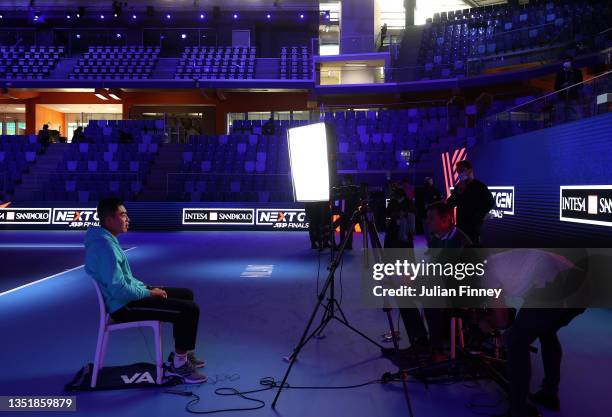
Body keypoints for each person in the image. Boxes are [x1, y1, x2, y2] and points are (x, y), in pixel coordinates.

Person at [84, 198, 207, 384]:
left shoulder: (106, 240)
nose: (128, 219)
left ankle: (180, 354)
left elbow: (126, 280)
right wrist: (150, 293)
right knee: (189, 309)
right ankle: (179, 366)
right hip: (124, 307)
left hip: (127, 298)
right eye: (123, 215)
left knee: (185, 294)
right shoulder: (105, 247)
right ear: (109, 220)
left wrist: (147, 288)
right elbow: (119, 290)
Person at [484, 249, 588, 417]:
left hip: (553, 287)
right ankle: (549, 393)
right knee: (547, 331)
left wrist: (486, 323)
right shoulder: (502, 261)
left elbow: (502, 320)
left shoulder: (487, 271)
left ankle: (519, 411)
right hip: (582, 288)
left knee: (516, 343)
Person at [390, 201, 472, 361]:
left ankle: (438, 350)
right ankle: (421, 341)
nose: (427, 222)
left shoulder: (460, 242)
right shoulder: (435, 238)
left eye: (431, 219)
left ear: (445, 219)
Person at [446, 160, 494, 246]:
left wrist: (479, 216)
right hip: (461, 225)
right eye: (458, 171)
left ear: (470, 170)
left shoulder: (479, 186)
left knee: (473, 249)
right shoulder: (458, 186)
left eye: (462, 170)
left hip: (474, 226)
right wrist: (458, 193)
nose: (460, 173)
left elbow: (490, 202)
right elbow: (451, 203)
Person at [421, 177, 442, 247]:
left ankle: (434, 248)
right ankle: (430, 248)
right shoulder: (423, 192)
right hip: (426, 215)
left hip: (434, 215)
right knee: (428, 233)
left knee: (433, 232)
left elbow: (439, 202)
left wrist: (430, 206)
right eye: (426, 182)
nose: (427, 184)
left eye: (428, 182)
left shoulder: (435, 191)